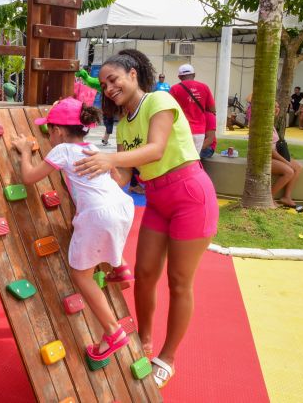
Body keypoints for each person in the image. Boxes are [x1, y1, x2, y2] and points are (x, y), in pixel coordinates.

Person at [74, 49, 218, 389]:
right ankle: (146, 340)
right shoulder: (124, 124)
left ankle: (167, 358)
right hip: (157, 200)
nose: (109, 88)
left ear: (134, 74)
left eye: (114, 79)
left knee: (179, 281)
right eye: (105, 83)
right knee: (144, 273)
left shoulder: (159, 101)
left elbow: (155, 149)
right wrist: (82, 172)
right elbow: (124, 176)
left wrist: (110, 160)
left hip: (190, 196)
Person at [11, 97, 135, 363]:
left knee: (81, 277)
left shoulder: (62, 150)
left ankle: (112, 332)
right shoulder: (92, 148)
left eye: (49, 131)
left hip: (97, 215)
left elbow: (30, 177)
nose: (49, 137)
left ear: (57, 131)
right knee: (109, 229)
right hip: (123, 206)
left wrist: (24, 152)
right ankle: (120, 265)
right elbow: (113, 176)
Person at [169, 63, 216, 153]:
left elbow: (169, 110)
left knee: (182, 160)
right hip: (199, 131)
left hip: (181, 130)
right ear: (194, 75)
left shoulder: (175, 89)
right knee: (194, 159)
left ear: (179, 77)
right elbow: (212, 109)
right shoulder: (204, 87)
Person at [271, 103, 303, 212]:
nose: (277, 109)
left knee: (298, 167)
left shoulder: (270, 122)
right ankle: (269, 197)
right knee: (289, 171)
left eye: (277, 106)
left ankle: (286, 197)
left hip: (277, 155)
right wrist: (285, 161)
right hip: (267, 157)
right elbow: (270, 151)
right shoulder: (262, 124)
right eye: (274, 107)